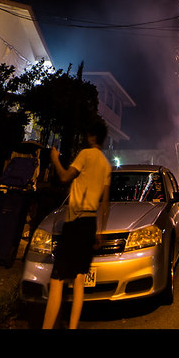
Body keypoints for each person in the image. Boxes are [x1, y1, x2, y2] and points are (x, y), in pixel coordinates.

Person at [42, 119, 112, 330]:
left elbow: (64, 177)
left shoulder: (85, 155)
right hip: (90, 223)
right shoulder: (106, 165)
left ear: (91, 137)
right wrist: (100, 231)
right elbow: (105, 204)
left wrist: (55, 159)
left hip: (75, 221)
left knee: (57, 279)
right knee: (80, 278)